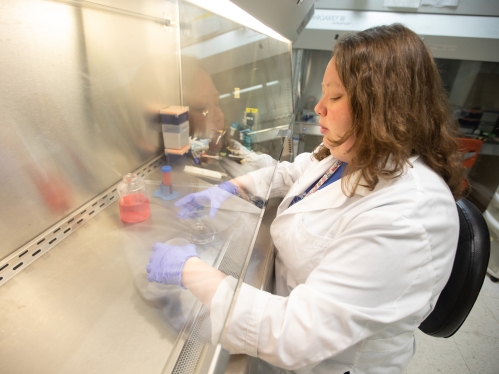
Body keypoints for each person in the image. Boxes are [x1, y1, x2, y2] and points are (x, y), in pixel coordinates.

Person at [146, 24, 464, 373]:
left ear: (381, 107)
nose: (319, 108)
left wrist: (189, 269)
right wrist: (234, 187)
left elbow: (295, 335)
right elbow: (297, 172)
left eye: (335, 97)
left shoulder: (407, 215)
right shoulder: (356, 155)